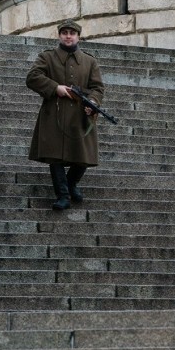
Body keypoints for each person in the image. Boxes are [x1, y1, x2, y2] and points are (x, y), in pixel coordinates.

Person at [26, 19, 105, 210]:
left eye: (72, 33)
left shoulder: (90, 61)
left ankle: (71, 184)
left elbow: (98, 88)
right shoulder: (47, 57)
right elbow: (32, 77)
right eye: (64, 32)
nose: (68, 36)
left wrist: (93, 102)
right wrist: (55, 88)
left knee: (84, 155)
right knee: (55, 156)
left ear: (78, 36)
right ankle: (63, 195)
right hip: (54, 112)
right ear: (59, 35)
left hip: (80, 114)